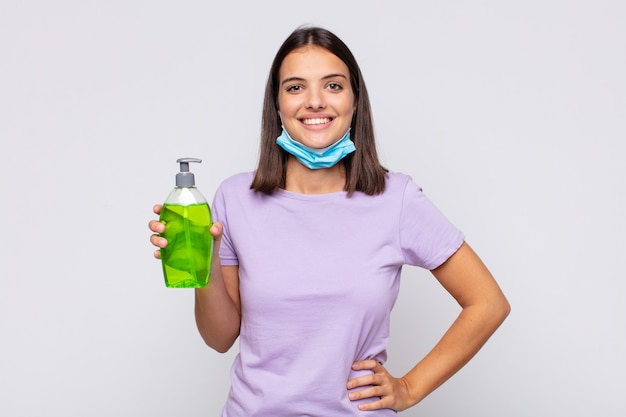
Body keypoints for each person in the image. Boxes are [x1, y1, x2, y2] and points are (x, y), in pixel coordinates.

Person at [149, 25, 510, 416]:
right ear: (277, 105)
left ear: (355, 101)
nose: (315, 101)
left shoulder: (396, 199)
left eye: (333, 86)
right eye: (295, 87)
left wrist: (409, 387)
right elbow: (219, 338)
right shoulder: (235, 199)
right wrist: (205, 263)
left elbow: (488, 303)